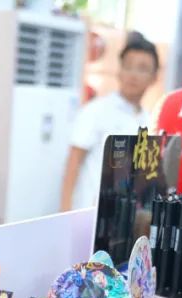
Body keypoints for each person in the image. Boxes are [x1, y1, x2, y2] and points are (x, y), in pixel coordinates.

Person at [59, 34, 160, 212]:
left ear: (154, 77)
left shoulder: (149, 121)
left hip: (124, 215)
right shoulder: (96, 111)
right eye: (128, 66)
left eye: (142, 68)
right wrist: (65, 212)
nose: (133, 74)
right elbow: (73, 162)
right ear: (119, 71)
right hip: (89, 213)